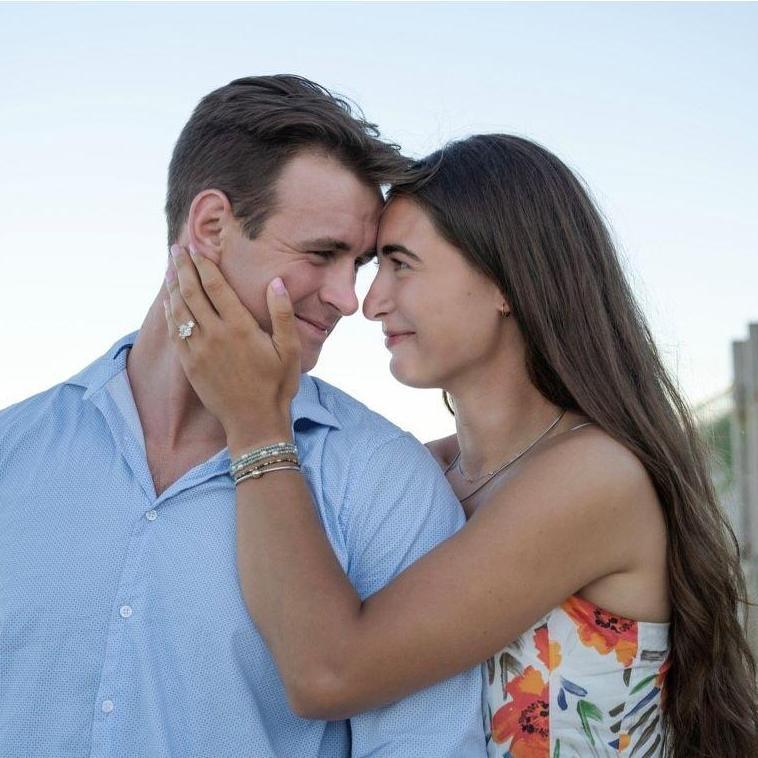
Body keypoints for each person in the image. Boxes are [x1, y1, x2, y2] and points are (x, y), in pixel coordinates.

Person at [163, 134, 758, 757]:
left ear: (506, 281)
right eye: (376, 267)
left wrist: (257, 423)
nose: (371, 302)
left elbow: (328, 673)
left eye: (401, 264)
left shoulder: (595, 476)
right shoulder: (424, 470)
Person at [0, 76, 487, 758]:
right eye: (322, 254)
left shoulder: (385, 483)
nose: (348, 299)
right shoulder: (13, 449)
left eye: (358, 264)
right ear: (211, 228)